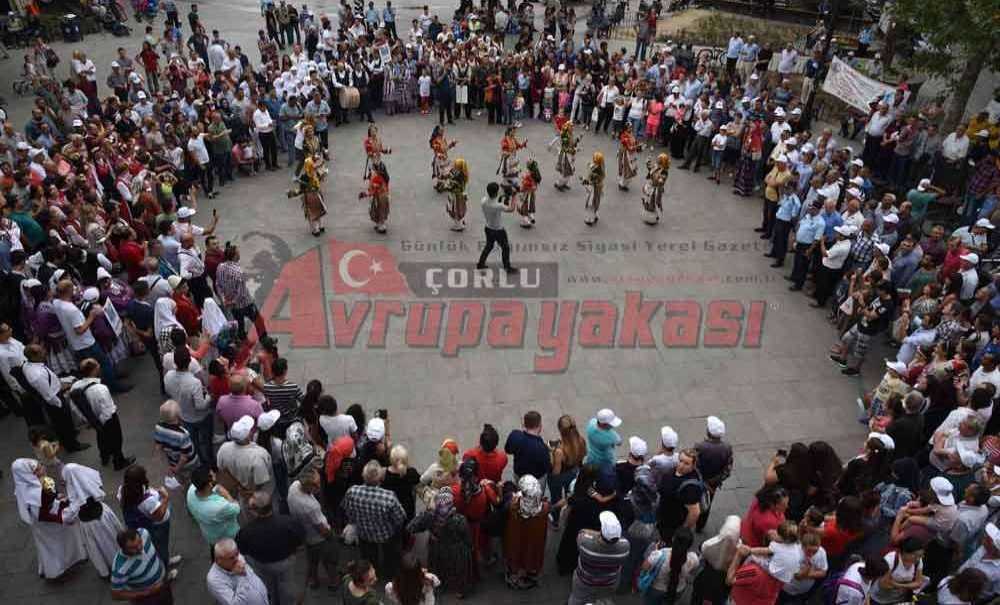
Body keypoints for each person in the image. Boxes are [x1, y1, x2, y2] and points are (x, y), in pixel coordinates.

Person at [11, 458, 88, 580]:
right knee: (56, 546)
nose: (42, 468)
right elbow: (42, 515)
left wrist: (57, 497)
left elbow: (49, 499)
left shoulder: (30, 486)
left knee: (57, 543)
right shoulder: (33, 493)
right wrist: (63, 517)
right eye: (37, 469)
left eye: (39, 465)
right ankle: (58, 569)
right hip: (50, 525)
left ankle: (72, 558)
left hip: (50, 519)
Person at [235, 491, 305, 605]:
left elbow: (242, 550)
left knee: (268, 586)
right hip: (285, 562)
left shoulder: (246, 531)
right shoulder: (289, 522)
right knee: (287, 585)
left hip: (262, 565)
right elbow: (300, 539)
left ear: (255, 511)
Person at [342, 460, 407, 579]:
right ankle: (388, 574)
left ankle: (372, 572)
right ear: (380, 478)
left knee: (369, 556)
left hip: (364, 533)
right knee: (390, 555)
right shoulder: (388, 496)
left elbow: (347, 511)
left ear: (363, 475)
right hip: (385, 534)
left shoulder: (352, 491)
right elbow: (400, 518)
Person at [407, 488, 474, 598]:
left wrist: (428, 511)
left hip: (436, 548)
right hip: (456, 551)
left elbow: (411, 527)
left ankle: (439, 587)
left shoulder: (429, 517)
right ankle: (460, 591)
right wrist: (470, 547)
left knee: (437, 569)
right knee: (459, 571)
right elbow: (467, 538)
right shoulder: (459, 519)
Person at [62, 463, 125, 579]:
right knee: (113, 537)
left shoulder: (75, 497)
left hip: (89, 525)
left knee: (98, 547)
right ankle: (122, 560)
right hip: (104, 514)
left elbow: (68, 516)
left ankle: (106, 569)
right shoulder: (89, 482)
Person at [69, 358, 134, 470]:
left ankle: (104, 456)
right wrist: (102, 421)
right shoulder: (101, 388)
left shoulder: (75, 386)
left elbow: (74, 407)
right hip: (107, 419)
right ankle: (119, 461)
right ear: (94, 370)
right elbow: (108, 411)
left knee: (101, 437)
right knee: (116, 439)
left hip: (93, 419)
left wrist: (89, 420)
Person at [118, 465, 180, 569]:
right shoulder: (148, 502)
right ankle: (164, 567)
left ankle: (164, 561)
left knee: (156, 546)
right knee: (161, 547)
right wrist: (165, 498)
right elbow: (159, 516)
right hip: (156, 527)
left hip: (141, 526)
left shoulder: (123, 490)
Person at [288, 469, 339, 591]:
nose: (319, 486)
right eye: (316, 484)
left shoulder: (294, 486)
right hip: (319, 539)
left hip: (306, 535)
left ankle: (314, 580)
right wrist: (331, 536)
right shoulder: (310, 507)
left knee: (312, 560)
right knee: (329, 560)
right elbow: (321, 528)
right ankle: (334, 582)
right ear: (307, 485)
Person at [568, 510, 630, 605]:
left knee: (577, 598)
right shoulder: (625, 546)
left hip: (585, 580)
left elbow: (582, 532)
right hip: (609, 582)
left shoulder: (584, 542)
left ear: (601, 531)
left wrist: (595, 534)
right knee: (605, 599)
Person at [216, 415, 273, 517]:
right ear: (248, 436)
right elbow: (261, 481)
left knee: (246, 512)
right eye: (251, 429)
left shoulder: (224, 448)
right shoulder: (259, 455)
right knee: (260, 512)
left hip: (240, 490)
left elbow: (222, 470)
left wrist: (239, 486)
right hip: (254, 492)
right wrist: (251, 492)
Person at [503, 474, 548, 589]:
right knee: (532, 554)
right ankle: (531, 572)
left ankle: (515, 576)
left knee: (516, 554)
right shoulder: (544, 508)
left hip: (517, 539)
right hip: (535, 540)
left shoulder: (514, 507)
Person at [112, 528, 178, 603]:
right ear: (122, 548)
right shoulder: (120, 569)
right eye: (133, 548)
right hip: (148, 598)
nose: (140, 548)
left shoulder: (144, 533)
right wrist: (147, 592)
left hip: (163, 583)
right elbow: (116, 594)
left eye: (140, 542)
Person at [640, 526, 699, 605]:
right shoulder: (693, 558)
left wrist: (654, 550)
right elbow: (692, 573)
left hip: (656, 589)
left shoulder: (659, 554)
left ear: (673, 539)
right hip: (678, 590)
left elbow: (644, 567)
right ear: (689, 545)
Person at [186, 467, 241, 551]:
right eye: (213, 475)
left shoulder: (190, 491)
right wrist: (226, 494)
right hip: (227, 537)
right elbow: (237, 508)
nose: (215, 475)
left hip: (210, 535)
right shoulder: (220, 507)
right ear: (210, 484)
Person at [656, 448, 703, 543]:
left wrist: (682, 530)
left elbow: (695, 512)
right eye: (680, 461)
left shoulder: (690, 487)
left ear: (693, 466)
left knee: (667, 540)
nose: (681, 465)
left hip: (673, 522)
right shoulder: (676, 471)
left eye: (686, 463)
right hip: (664, 513)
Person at [206, 538, 270, 605]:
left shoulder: (236, 557)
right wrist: (240, 576)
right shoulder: (214, 580)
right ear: (218, 560)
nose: (237, 559)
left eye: (237, 554)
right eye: (231, 558)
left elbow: (251, 575)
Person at [476, 181, 517, 272]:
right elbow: (511, 209)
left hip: (488, 227)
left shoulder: (484, 201)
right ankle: (507, 267)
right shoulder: (497, 206)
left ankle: (480, 263)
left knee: (489, 246)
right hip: (498, 230)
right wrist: (514, 196)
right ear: (495, 193)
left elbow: (496, 197)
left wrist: (503, 193)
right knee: (505, 247)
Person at [504, 410, 552, 483]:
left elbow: (507, 450)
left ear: (524, 424)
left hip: (519, 474)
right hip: (536, 479)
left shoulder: (515, 435)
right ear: (540, 426)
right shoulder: (542, 448)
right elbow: (547, 468)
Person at [583, 407, 623, 472]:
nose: (612, 426)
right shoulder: (611, 436)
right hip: (606, 460)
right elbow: (620, 442)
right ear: (604, 424)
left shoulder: (591, 424)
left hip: (592, 456)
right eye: (611, 424)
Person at [438, 158, 469, 232]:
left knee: (455, 210)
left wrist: (444, 186)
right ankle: (461, 222)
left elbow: (451, 186)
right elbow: (450, 174)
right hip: (458, 195)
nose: (454, 166)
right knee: (459, 209)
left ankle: (458, 226)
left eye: (455, 165)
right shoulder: (461, 173)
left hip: (456, 196)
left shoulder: (459, 177)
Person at [641, 153, 669, 225]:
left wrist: (660, 179)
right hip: (650, 186)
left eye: (659, 160)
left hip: (656, 189)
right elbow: (650, 169)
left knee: (653, 202)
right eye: (658, 159)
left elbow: (661, 179)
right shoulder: (656, 166)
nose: (657, 160)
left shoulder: (664, 171)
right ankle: (647, 216)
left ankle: (652, 218)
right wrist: (648, 162)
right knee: (647, 201)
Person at [583, 151, 606, 225]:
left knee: (593, 203)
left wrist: (587, 180)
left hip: (596, 188)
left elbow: (594, 179)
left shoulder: (598, 169)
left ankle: (592, 218)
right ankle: (592, 217)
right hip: (594, 188)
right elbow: (590, 177)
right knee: (593, 203)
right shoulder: (597, 168)